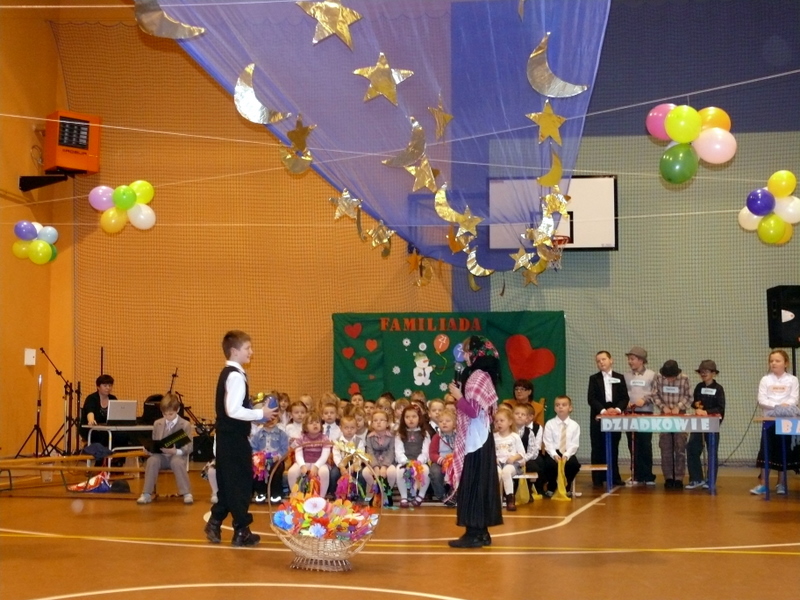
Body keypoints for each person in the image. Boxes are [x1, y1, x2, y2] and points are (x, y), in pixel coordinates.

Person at [204, 330, 276, 547]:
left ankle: (217, 522)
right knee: (241, 485)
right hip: (233, 440)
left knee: (229, 484)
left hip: (228, 438)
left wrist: (253, 410)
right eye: (247, 348)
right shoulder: (235, 376)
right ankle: (241, 529)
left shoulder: (230, 373)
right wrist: (260, 413)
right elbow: (233, 410)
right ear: (234, 351)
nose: (251, 352)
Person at [447, 335, 503, 548]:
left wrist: (457, 396)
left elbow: (472, 411)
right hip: (479, 439)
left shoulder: (478, 376)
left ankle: (474, 533)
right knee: (480, 485)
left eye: (467, 350)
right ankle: (481, 533)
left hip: (476, 441)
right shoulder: (481, 375)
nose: (464, 355)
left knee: (474, 485)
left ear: (477, 353)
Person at [752, 350, 800, 495]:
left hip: (787, 420)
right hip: (769, 420)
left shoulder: (793, 380)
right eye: (771, 361)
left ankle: (781, 484)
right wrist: (778, 407)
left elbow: (794, 399)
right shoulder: (765, 380)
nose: (773, 363)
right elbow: (762, 400)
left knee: (783, 450)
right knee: (766, 451)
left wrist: (785, 407)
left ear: (786, 363)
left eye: (777, 361)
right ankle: (763, 484)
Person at [136, 392, 194, 505]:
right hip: (161, 456)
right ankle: (146, 493)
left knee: (177, 462)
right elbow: (155, 442)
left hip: (176, 456)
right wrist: (149, 450)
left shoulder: (185, 424)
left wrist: (176, 451)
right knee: (152, 461)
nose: (167, 417)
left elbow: (189, 447)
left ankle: (186, 493)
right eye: (164, 414)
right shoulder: (157, 423)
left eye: (171, 414)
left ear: (177, 410)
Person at [646, 359, 692, 490]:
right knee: (665, 447)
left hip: (680, 416)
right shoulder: (659, 378)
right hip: (664, 415)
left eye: (671, 377)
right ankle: (668, 477)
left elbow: (689, 397)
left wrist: (679, 407)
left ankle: (679, 478)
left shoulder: (685, 379)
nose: (669, 380)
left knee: (680, 447)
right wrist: (663, 407)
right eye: (667, 377)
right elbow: (654, 395)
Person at [587, 351, 629, 487]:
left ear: (611, 360)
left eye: (603, 359)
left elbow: (624, 398)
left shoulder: (619, 377)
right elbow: (591, 399)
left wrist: (617, 410)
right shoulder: (594, 379)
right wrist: (604, 411)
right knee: (597, 446)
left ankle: (614, 477)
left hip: (614, 416)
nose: (601, 362)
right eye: (598, 361)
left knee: (613, 446)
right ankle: (597, 479)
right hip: (598, 416)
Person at [686, 360, 725, 490]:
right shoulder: (699, 387)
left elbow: (720, 408)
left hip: (712, 424)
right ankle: (696, 478)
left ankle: (711, 480)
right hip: (698, 424)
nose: (703, 374)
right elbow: (694, 402)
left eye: (706, 371)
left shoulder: (718, 389)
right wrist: (696, 405)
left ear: (713, 373)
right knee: (692, 447)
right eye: (701, 372)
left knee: (712, 451)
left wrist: (706, 412)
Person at [623, 346, 657, 486]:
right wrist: (626, 403)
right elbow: (622, 393)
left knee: (645, 444)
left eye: (632, 359)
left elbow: (656, 392)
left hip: (645, 413)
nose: (630, 362)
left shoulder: (652, 375)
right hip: (630, 413)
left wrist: (645, 400)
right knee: (632, 444)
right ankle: (635, 475)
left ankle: (648, 476)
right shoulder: (626, 376)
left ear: (641, 360)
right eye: (629, 359)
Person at [542, 396, 581, 497]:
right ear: (554, 408)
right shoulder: (550, 424)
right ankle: (551, 487)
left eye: (564, 405)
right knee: (550, 465)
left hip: (568, 452)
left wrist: (567, 455)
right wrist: (554, 455)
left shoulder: (575, 425)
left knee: (574, 465)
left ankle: (566, 487)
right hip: (553, 452)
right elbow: (548, 442)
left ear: (570, 408)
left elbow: (574, 444)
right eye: (557, 405)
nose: (560, 407)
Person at [250, 407, 289, 504]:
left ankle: (275, 494)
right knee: (257, 470)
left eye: (274, 418)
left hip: (276, 460)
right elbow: (253, 447)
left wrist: (278, 456)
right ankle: (261, 493)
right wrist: (257, 456)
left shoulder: (282, 434)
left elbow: (285, 449)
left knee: (276, 471)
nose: (270, 420)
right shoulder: (258, 434)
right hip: (261, 460)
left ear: (277, 419)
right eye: (267, 418)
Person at [286, 412, 332, 495]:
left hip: (320, 463)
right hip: (304, 462)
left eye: (317, 422)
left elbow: (325, 455)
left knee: (324, 472)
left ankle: (321, 497)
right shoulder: (301, 437)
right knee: (292, 472)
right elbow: (298, 453)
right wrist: (302, 465)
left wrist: (316, 466)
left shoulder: (324, 438)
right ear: (305, 427)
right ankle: (295, 496)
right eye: (311, 423)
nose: (315, 424)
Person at [394, 405, 431, 508]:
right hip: (405, 462)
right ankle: (404, 497)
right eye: (407, 417)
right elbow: (399, 451)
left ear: (419, 418)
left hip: (419, 462)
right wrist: (406, 462)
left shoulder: (424, 433)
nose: (411, 419)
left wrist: (418, 462)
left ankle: (421, 495)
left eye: (414, 416)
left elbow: (425, 451)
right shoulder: (400, 434)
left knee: (426, 471)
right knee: (400, 471)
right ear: (403, 419)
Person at [493, 406, 525, 511]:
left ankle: (510, 500)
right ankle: (494, 499)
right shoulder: (494, 437)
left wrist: (514, 458)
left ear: (510, 422)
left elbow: (522, 453)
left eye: (502, 420)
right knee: (496, 473)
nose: (499, 423)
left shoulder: (514, 436)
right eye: (496, 421)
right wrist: (494, 459)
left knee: (506, 472)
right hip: (498, 463)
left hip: (511, 464)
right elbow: (490, 453)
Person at [362, 409, 396, 506]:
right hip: (374, 463)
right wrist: (376, 467)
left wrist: (384, 466)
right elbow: (370, 453)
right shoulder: (369, 437)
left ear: (387, 423)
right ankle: (377, 491)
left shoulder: (392, 436)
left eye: (382, 420)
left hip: (388, 462)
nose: (378, 422)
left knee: (392, 471)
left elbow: (391, 452)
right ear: (372, 424)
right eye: (375, 420)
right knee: (365, 472)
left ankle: (387, 492)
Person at [330, 414, 365, 500]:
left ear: (356, 428)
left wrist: (353, 466)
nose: (349, 430)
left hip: (355, 464)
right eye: (346, 428)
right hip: (341, 464)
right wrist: (341, 467)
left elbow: (360, 455)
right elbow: (336, 455)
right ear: (341, 428)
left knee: (361, 475)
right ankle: (335, 494)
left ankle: (360, 495)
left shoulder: (359, 441)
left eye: (352, 428)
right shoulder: (338, 441)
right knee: (334, 473)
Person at [513, 402, 544, 496]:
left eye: (523, 415)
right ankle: (511, 492)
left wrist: (524, 459)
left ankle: (528, 490)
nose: (519, 416)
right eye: (517, 414)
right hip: (511, 459)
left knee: (533, 467)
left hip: (525, 459)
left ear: (527, 419)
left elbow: (532, 451)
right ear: (512, 416)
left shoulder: (530, 432)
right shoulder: (509, 431)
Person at [429, 407, 457, 505]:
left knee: (460, 470)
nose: (444, 423)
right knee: (435, 472)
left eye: (447, 421)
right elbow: (432, 453)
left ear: (454, 423)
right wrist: (442, 460)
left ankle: (454, 493)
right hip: (440, 461)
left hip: (455, 461)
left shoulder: (459, 436)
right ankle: (441, 495)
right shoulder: (437, 437)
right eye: (441, 421)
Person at [79, 374, 117, 441]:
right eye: (105, 386)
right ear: (98, 387)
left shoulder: (113, 398)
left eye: (110, 385)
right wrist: (91, 420)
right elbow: (90, 411)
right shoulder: (91, 398)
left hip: (107, 429)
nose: (108, 388)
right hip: (92, 430)